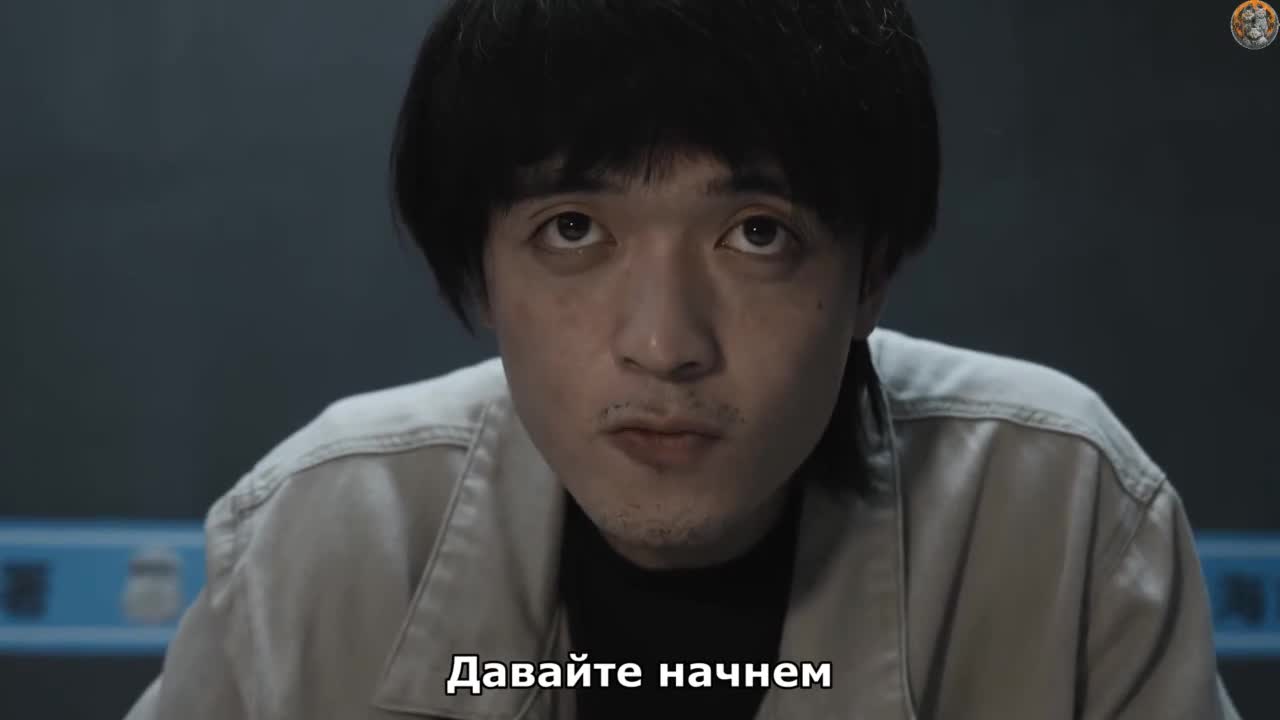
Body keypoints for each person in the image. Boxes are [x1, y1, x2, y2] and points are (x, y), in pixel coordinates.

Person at [124, 0, 1241, 718]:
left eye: (756, 233)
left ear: (870, 275)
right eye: (573, 229)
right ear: (481, 271)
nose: (663, 347)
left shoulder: (1062, 514)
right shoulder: (319, 540)